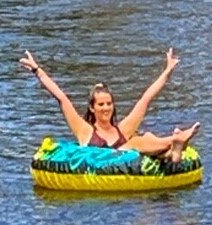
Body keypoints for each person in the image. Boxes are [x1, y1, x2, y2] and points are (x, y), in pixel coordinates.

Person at [20, 48, 200, 168]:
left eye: (109, 103)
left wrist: (167, 71)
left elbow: (146, 98)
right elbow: (61, 98)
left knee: (143, 139)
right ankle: (175, 142)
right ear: (92, 108)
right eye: (101, 104)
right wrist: (38, 71)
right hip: (102, 168)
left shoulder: (123, 129)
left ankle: (173, 151)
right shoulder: (84, 131)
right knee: (133, 145)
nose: (106, 108)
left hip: (135, 156)